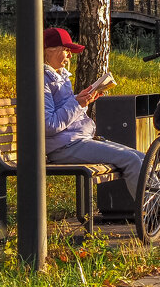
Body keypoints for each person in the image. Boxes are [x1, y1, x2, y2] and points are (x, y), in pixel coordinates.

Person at [42, 27, 144, 199]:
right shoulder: (41, 80)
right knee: (132, 160)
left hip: (75, 141)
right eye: (66, 50)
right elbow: (49, 125)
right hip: (64, 147)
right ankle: (155, 216)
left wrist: (81, 99)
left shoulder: (58, 77)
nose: (70, 56)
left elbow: (61, 107)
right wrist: (78, 103)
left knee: (141, 157)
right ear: (48, 51)